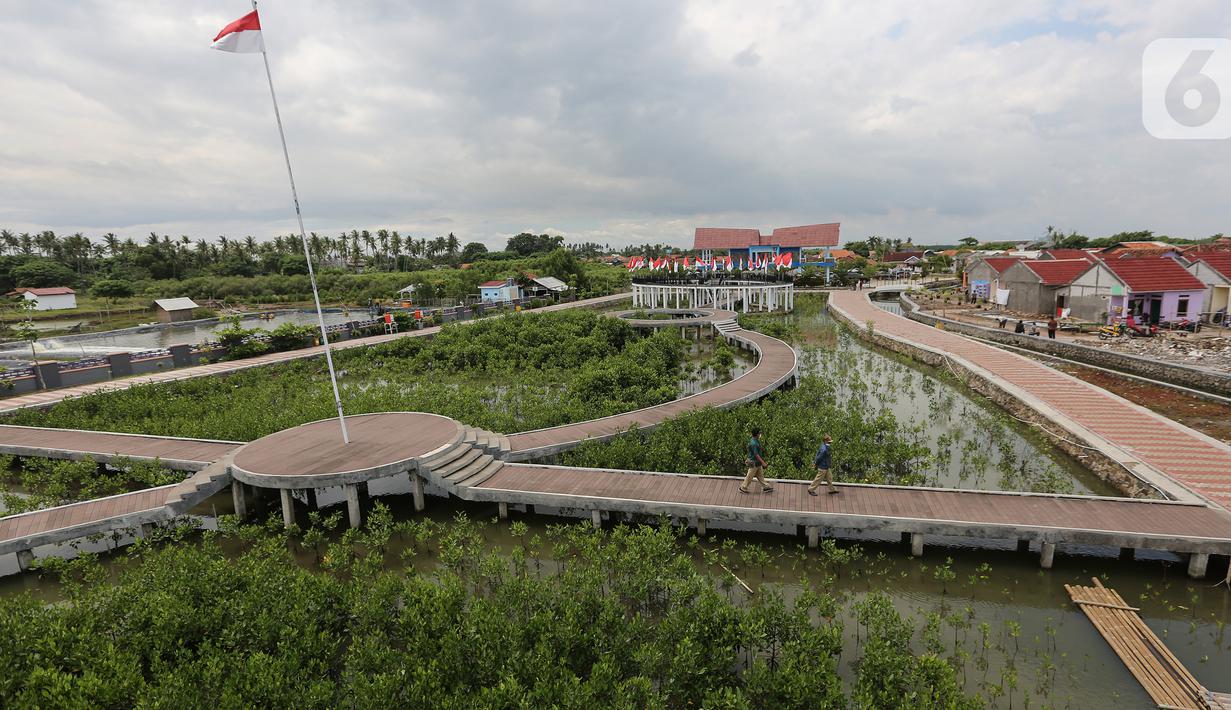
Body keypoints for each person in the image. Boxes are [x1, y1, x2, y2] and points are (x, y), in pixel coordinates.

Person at [739, 427, 772, 494]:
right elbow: (756, 455)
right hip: (753, 462)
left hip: (757, 463)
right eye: (759, 433)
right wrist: (763, 462)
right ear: (756, 434)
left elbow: (758, 449)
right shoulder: (753, 443)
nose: (760, 434)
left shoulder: (755, 440)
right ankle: (743, 487)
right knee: (750, 476)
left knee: (760, 475)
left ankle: (765, 487)